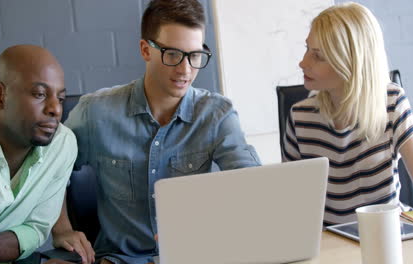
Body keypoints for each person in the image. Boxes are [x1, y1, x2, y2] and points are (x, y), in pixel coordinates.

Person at [51, 0, 261, 263]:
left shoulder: (217, 114)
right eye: (172, 54)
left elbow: (253, 188)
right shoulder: (96, 112)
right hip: (120, 259)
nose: (185, 69)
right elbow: (49, 169)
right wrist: (61, 229)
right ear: (145, 50)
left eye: (195, 55)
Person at [282, 2, 413, 225]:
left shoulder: (391, 102)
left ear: (351, 63)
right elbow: (292, 205)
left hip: (390, 233)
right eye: (307, 49)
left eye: (318, 56)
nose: (302, 62)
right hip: (333, 244)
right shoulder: (299, 117)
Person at [0, 45, 76, 263]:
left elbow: (34, 231)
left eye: (61, 98)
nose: (56, 109)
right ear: (0, 96)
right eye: (40, 94)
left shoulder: (62, 144)